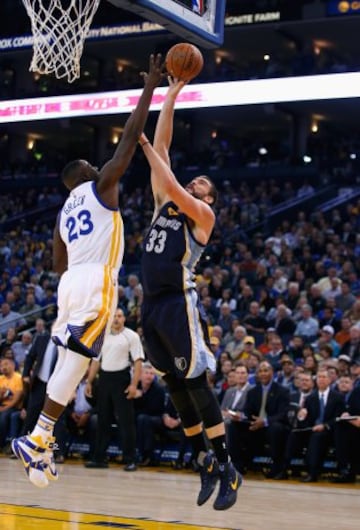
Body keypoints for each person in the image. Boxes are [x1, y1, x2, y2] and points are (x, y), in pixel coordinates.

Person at [11, 54, 163, 489]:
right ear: (89, 174)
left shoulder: (62, 211)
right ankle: (39, 436)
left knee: (74, 365)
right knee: (75, 367)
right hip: (97, 280)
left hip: (69, 283)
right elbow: (129, 141)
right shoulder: (99, 186)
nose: (103, 170)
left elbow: (56, 263)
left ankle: (38, 439)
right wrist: (149, 87)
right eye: (97, 169)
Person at [138, 77, 241, 511]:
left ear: (210, 197)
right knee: (175, 389)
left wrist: (147, 150)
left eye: (203, 182)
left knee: (196, 384)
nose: (196, 180)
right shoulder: (167, 204)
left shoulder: (202, 214)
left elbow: (167, 172)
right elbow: (164, 149)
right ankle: (203, 461)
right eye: (194, 179)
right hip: (151, 304)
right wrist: (171, 96)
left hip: (180, 302)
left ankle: (227, 468)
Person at [84, 307, 144, 471]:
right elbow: (96, 361)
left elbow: (138, 362)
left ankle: (130, 459)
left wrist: (133, 385)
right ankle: (99, 458)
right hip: (104, 379)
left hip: (122, 379)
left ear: (124, 319)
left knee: (126, 422)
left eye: (119, 316)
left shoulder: (131, 336)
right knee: (102, 420)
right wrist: (89, 382)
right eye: (114, 316)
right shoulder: (101, 336)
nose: (117, 319)